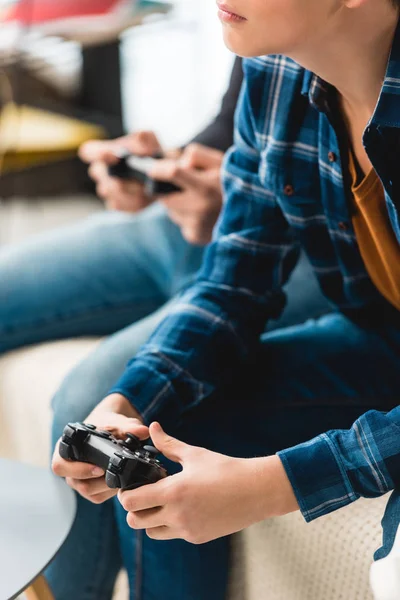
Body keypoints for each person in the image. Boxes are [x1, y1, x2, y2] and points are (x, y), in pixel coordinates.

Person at [51, 0, 400, 598]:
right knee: (162, 430)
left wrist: (272, 485)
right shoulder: (278, 73)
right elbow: (236, 279)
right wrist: (128, 402)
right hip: (384, 339)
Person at [0, 55, 328, 599]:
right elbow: (236, 124)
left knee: (95, 403)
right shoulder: (269, 52)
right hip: (196, 224)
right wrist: (164, 169)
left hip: (303, 252)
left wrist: (256, 197)